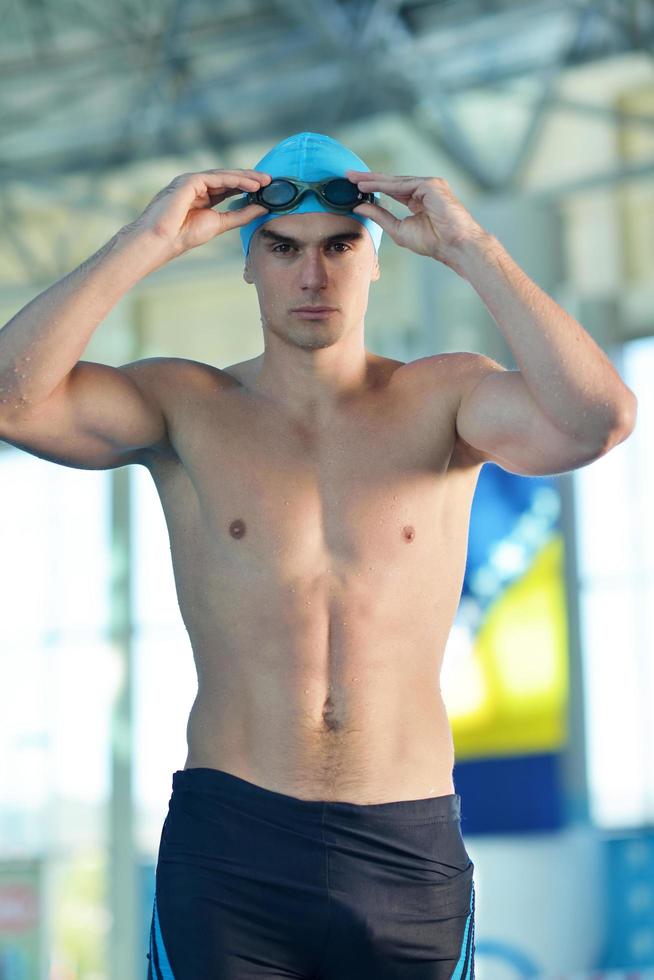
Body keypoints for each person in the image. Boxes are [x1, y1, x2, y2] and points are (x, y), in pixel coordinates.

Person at [0, 131, 637, 979]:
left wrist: (471, 247)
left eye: (339, 247)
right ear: (248, 261)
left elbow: (599, 419)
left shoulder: (443, 400)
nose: (312, 276)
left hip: (408, 849)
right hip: (234, 850)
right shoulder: (185, 406)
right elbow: (12, 399)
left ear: (375, 256)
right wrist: (148, 240)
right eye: (282, 248)